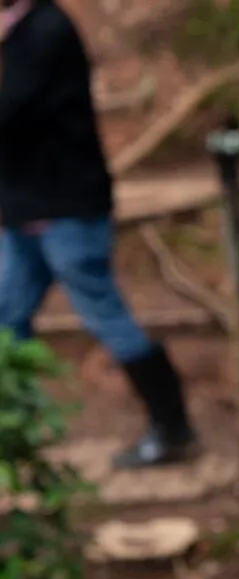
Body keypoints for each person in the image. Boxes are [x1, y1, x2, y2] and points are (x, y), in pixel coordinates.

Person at [0, 0, 198, 468]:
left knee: (104, 312)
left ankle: (172, 428)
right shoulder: (23, 32)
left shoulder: (46, 30)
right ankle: (16, 434)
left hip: (65, 209)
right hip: (26, 211)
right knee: (7, 317)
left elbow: (13, 112)